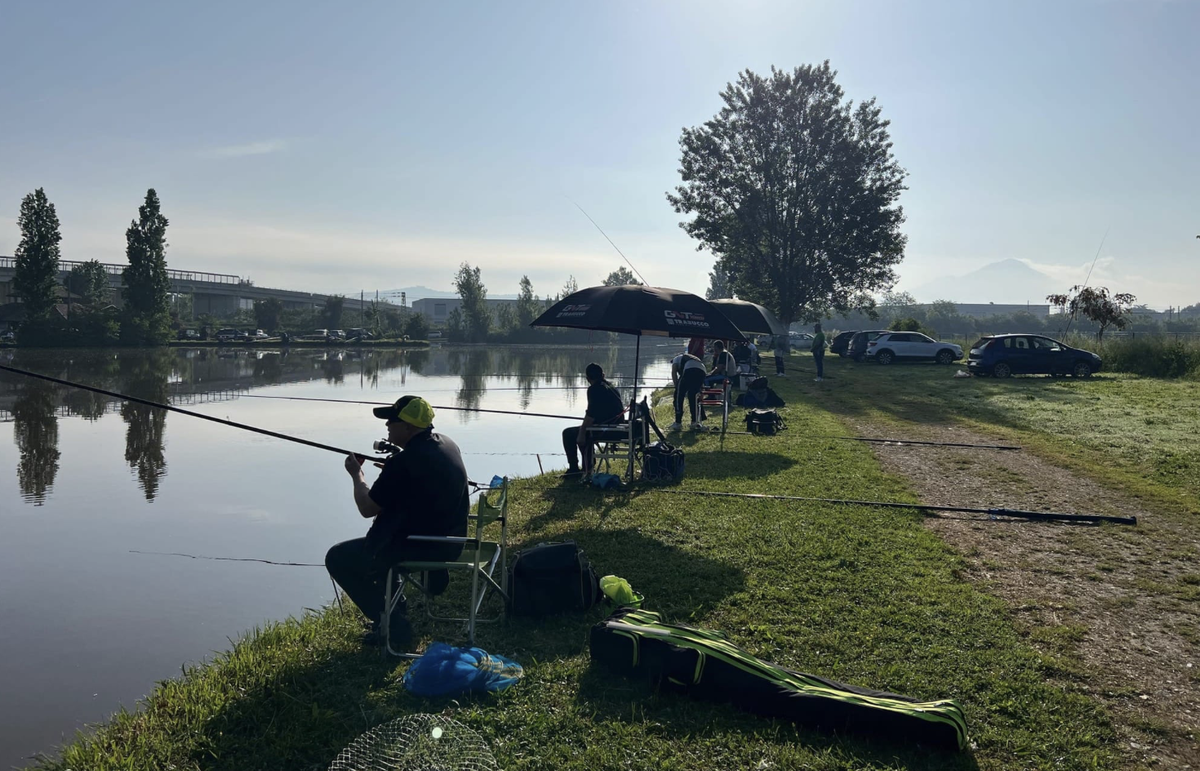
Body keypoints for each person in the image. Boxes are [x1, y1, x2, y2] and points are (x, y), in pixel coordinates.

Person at [326, 395, 469, 647]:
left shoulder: (404, 463)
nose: (387, 426)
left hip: (423, 545)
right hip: (451, 539)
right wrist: (393, 476)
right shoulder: (447, 443)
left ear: (408, 427)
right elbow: (423, 484)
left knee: (338, 557)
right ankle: (401, 602)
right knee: (380, 547)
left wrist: (357, 475)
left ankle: (393, 623)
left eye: (392, 421)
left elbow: (367, 507)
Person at [562, 362, 627, 477]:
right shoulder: (611, 386)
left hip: (607, 430)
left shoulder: (594, 389)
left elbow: (590, 415)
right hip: (618, 426)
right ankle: (588, 464)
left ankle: (575, 469)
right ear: (603, 375)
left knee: (569, 433)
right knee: (585, 430)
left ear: (587, 378)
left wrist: (581, 433)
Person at [669, 350, 707, 430]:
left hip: (690, 369)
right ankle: (694, 421)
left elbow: (674, 373)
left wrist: (677, 387)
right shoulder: (689, 358)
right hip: (702, 370)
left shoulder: (676, 359)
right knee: (693, 396)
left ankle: (678, 422)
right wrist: (701, 391)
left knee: (679, 396)